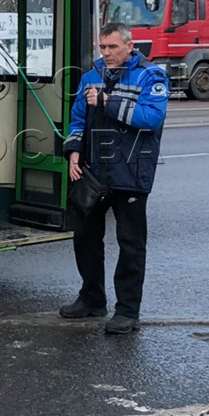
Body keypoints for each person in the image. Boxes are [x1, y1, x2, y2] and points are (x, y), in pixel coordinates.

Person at [59, 23, 168, 335]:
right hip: (95, 170)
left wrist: (108, 102)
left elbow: (151, 118)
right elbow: (77, 118)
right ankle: (92, 298)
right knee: (84, 237)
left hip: (131, 171)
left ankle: (127, 311)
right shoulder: (91, 76)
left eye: (112, 48)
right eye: (103, 47)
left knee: (130, 244)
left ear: (129, 46)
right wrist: (74, 151)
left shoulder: (152, 75)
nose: (106, 53)